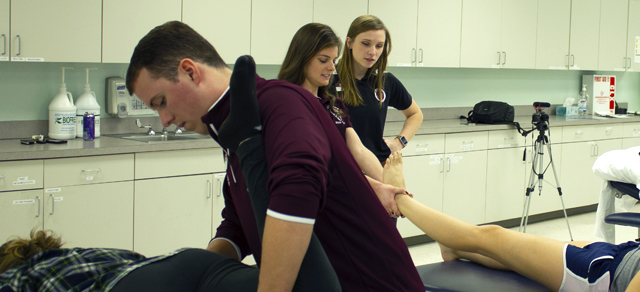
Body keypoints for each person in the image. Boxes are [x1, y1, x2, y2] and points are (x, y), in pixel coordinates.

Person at [125, 21, 423, 292]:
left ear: (190, 72)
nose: (163, 119)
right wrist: (198, 272)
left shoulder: (280, 101)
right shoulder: (239, 128)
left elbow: (299, 186)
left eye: (160, 102)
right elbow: (239, 223)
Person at [379, 152, 640, 292]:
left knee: (491, 235)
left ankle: (398, 199)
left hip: (602, 277)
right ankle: (454, 251)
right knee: (508, 254)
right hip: (621, 255)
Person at [277, 22, 400, 216]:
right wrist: (377, 187)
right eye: (324, 60)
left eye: (334, 60)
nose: (331, 67)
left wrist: (391, 187)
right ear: (301, 59)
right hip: (310, 203)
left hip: (345, 194)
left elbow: (358, 150)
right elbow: (329, 165)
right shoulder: (288, 103)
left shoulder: (333, 104)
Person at [1, 230, 258, 292]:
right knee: (292, 283)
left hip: (131, 286)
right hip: (188, 262)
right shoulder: (81, 254)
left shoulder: (17, 277)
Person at [332, 15, 423, 164]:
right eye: (366, 43)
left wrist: (399, 142)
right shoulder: (329, 78)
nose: (372, 52)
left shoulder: (386, 81)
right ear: (349, 42)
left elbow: (415, 114)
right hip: (339, 169)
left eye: (379, 46)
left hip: (377, 166)